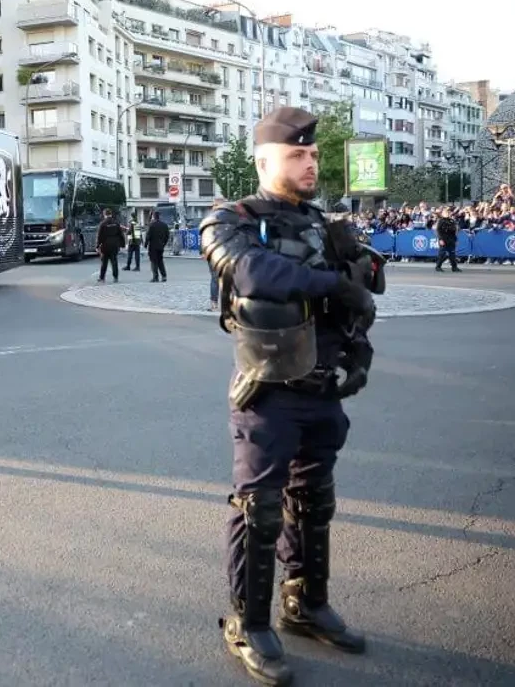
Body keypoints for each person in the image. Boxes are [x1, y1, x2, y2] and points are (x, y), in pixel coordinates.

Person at [200, 107, 381, 686]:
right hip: (268, 394)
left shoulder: (328, 227)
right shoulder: (228, 220)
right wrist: (335, 283)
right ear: (263, 161)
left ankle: (306, 602)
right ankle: (250, 624)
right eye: (297, 154)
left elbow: (359, 296)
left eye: (314, 154)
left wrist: (359, 351)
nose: (311, 163)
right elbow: (255, 274)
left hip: (323, 390)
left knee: (314, 500)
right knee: (259, 509)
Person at [95, 208, 124, 282]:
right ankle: (115, 277)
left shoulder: (103, 224)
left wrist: (97, 246)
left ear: (104, 214)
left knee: (104, 262)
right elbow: (121, 234)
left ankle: (102, 278)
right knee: (114, 261)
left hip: (105, 245)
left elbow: (99, 236)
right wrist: (122, 244)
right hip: (114, 245)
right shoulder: (116, 223)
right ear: (111, 214)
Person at [144, 211, 170, 282]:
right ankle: (164, 276)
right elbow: (167, 236)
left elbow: (148, 236)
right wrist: (164, 244)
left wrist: (146, 244)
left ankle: (155, 277)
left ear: (154, 217)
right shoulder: (164, 225)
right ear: (159, 216)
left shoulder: (152, 225)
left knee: (154, 261)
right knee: (160, 261)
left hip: (153, 246)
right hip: (161, 246)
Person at [434, 208, 460, 272]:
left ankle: (454, 267)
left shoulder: (452, 221)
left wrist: (456, 240)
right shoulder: (441, 220)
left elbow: (454, 232)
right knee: (442, 253)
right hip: (443, 239)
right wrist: (440, 239)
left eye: (448, 212)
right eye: (446, 212)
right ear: (443, 214)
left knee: (452, 254)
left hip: (451, 239)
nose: (448, 213)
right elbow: (438, 230)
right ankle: (438, 266)